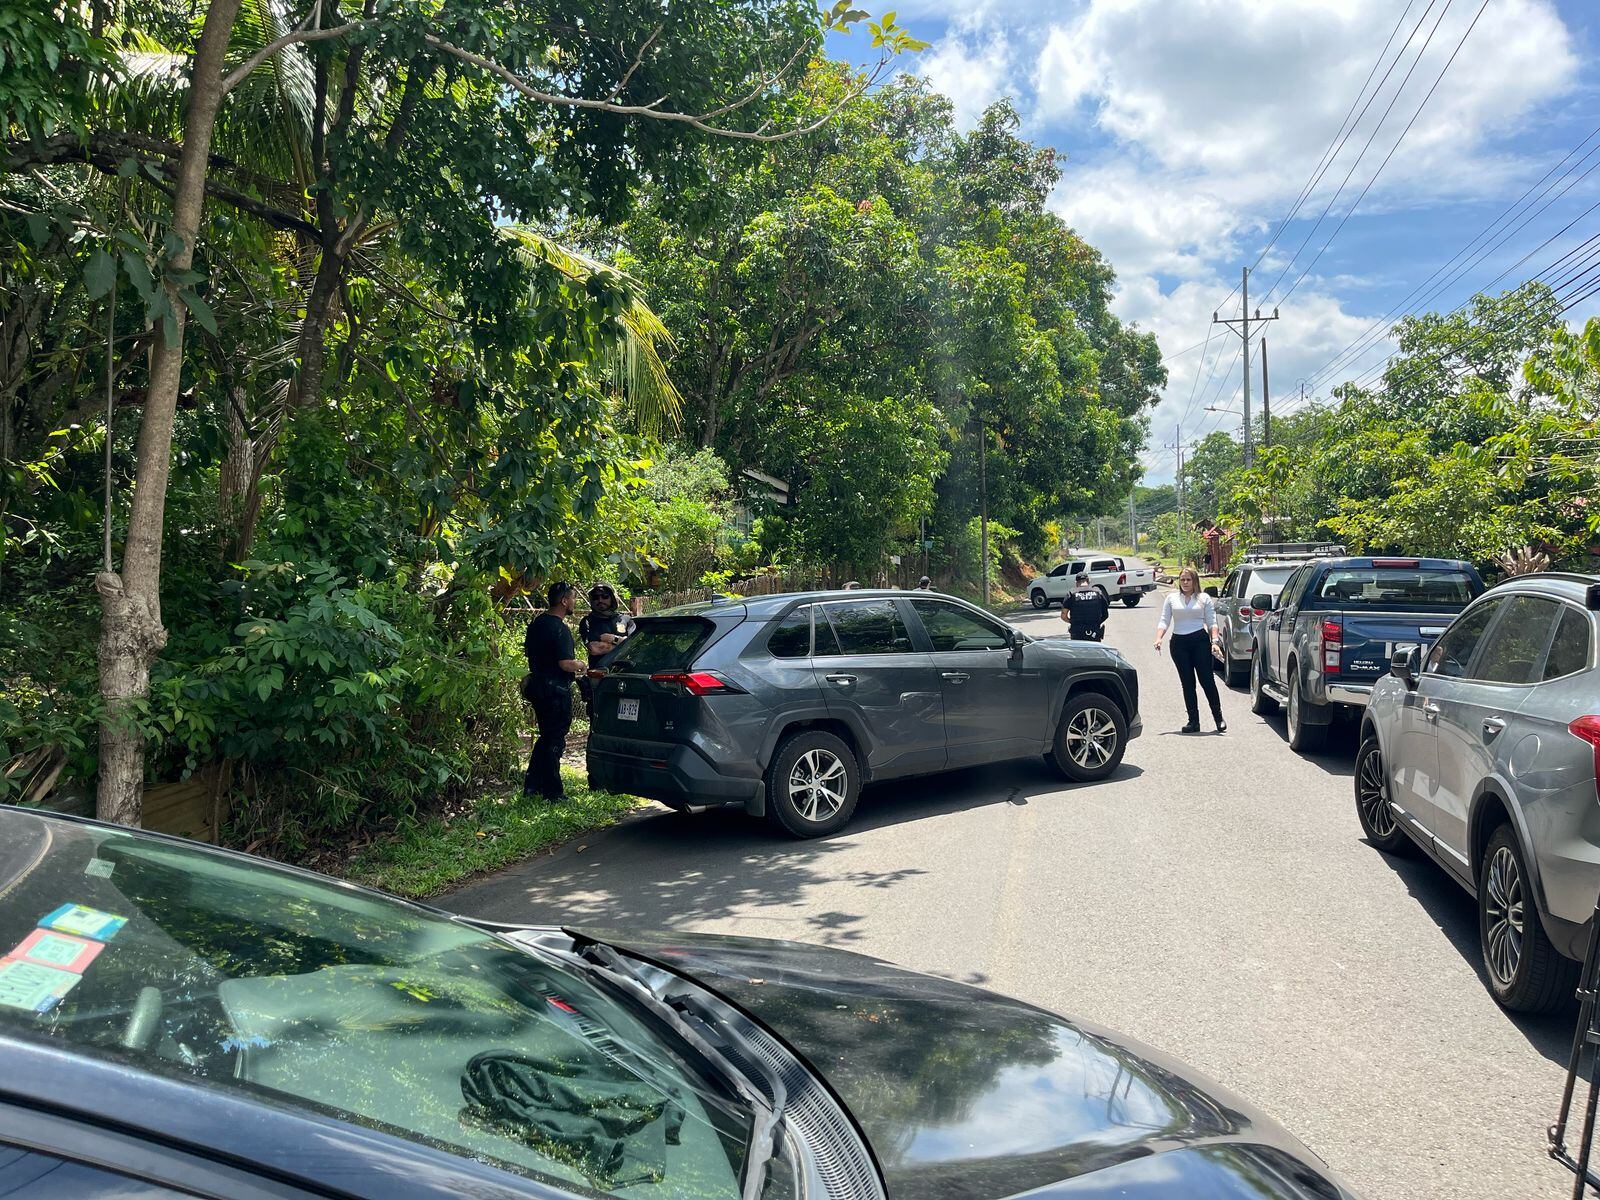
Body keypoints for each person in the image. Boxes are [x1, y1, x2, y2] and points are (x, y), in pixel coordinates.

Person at [522, 582, 588, 801]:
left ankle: (532, 785)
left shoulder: (537, 623)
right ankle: (553, 791)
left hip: (537, 687)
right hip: (555, 690)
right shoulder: (559, 628)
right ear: (564, 601)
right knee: (554, 741)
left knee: (545, 737)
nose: (574, 602)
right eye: (573, 598)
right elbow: (565, 664)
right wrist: (580, 664)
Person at [1153, 567, 1226, 734]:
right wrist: (1159, 638)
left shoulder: (1203, 598)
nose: (1185, 583)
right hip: (1179, 644)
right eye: (1182, 580)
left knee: (1207, 680)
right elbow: (1164, 620)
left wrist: (1214, 641)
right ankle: (1193, 721)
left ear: (1195, 581)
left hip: (1199, 641)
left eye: (1188, 580)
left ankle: (1218, 717)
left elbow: (1212, 622)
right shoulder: (1172, 598)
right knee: (1188, 683)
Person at [578, 583, 635, 713]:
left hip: (624, 676)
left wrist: (613, 639)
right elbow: (594, 648)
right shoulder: (588, 621)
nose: (600, 600)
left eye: (604, 596)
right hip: (599, 679)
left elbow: (633, 646)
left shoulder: (626, 620)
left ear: (612, 598)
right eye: (596, 597)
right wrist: (622, 642)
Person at [1061, 572, 1109, 641]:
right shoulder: (1098, 592)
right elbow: (1105, 615)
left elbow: (1063, 616)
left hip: (1077, 633)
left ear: (1076, 583)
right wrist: (1096, 623)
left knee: (1079, 651)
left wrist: (1073, 622)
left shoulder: (1071, 594)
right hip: (1094, 633)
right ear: (1088, 580)